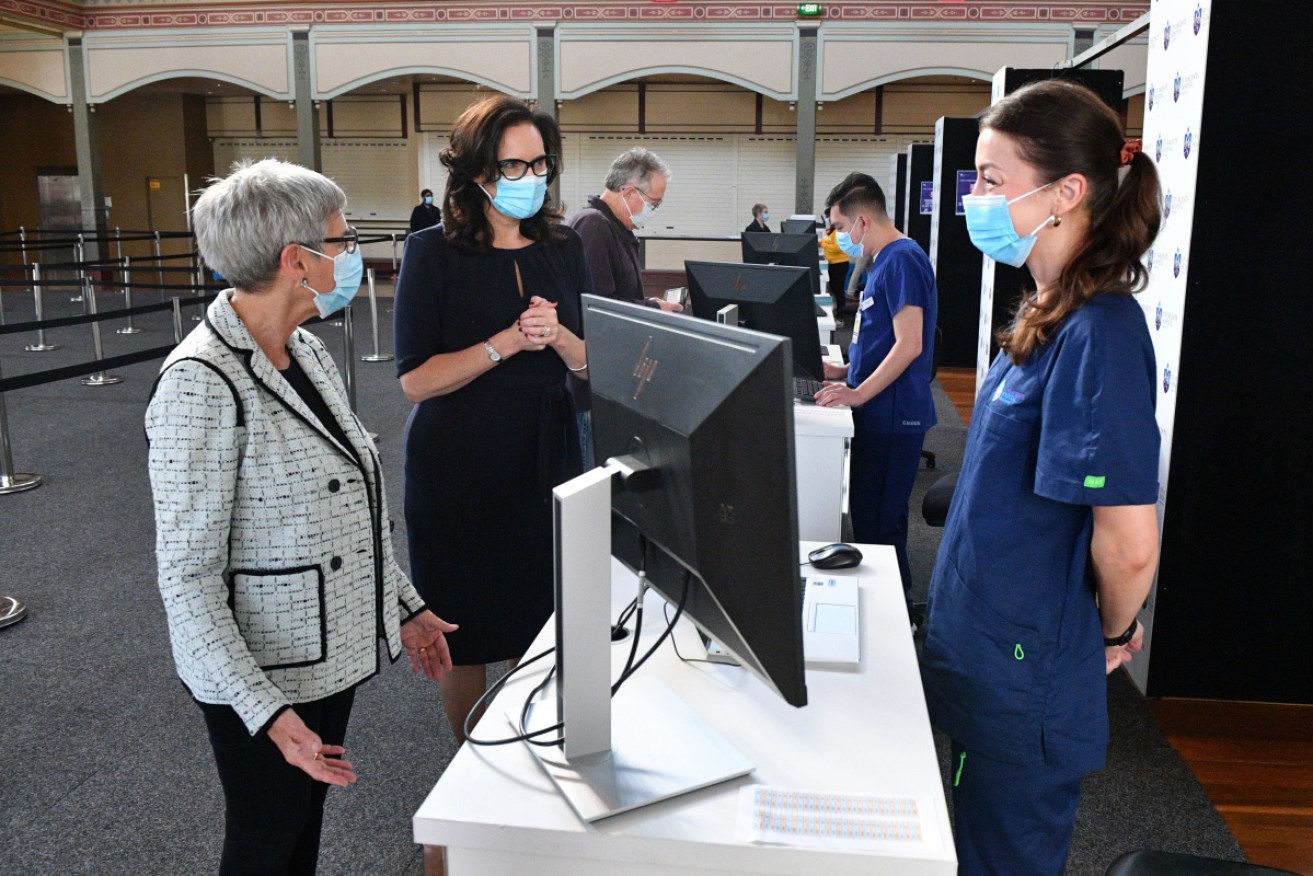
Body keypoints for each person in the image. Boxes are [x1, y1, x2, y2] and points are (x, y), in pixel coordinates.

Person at [145, 158, 457, 876]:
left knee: (298, 830)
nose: (352, 256)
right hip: (259, 679)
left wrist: (406, 606)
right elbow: (187, 579)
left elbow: (351, 500)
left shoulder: (304, 349)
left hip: (323, 657)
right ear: (296, 260)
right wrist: (267, 714)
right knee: (263, 841)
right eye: (342, 241)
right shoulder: (200, 384)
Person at [919, 79, 1162, 876]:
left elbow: (1127, 545)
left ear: (1066, 192)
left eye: (992, 179)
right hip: (990, 652)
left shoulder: (1101, 333)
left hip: (1026, 670)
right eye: (974, 180)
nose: (975, 198)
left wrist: (1113, 634)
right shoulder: (1050, 307)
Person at [393, 95, 591, 746]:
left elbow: (592, 365)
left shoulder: (564, 246)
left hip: (545, 454)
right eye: (514, 166)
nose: (531, 177)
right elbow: (415, 381)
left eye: (540, 163)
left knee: (539, 621)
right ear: (477, 172)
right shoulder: (431, 252)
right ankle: (472, 764)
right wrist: (504, 343)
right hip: (457, 466)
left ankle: (532, 750)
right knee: (466, 631)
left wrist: (558, 337)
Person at [815, 172, 938, 608]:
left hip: (893, 415)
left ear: (862, 221)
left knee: (878, 524)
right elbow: (882, 338)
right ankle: (892, 606)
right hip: (879, 411)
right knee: (875, 518)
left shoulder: (902, 259)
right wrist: (844, 370)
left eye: (842, 227)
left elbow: (910, 344)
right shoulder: (885, 260)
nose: (841, 238)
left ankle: (894, 614)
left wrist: (858, 393)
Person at [565, 146, 680, 469]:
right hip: (590, 389)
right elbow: (597, 312)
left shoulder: (616, 228)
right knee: (591, 489)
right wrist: (653, 309)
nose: (653, 211)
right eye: (653, 203)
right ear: (629, 191)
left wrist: (651, 305)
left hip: (607, 383)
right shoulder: (594, 225)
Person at [818, 219, 852, 321]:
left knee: (838, 289)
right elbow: (825, 241)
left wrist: (823, 245)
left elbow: (838, 247)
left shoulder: (840, 232)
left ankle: (841, 314)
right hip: (832, 263)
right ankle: (837, 310)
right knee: (833, 287)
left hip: (840, 263)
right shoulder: (830, 231)